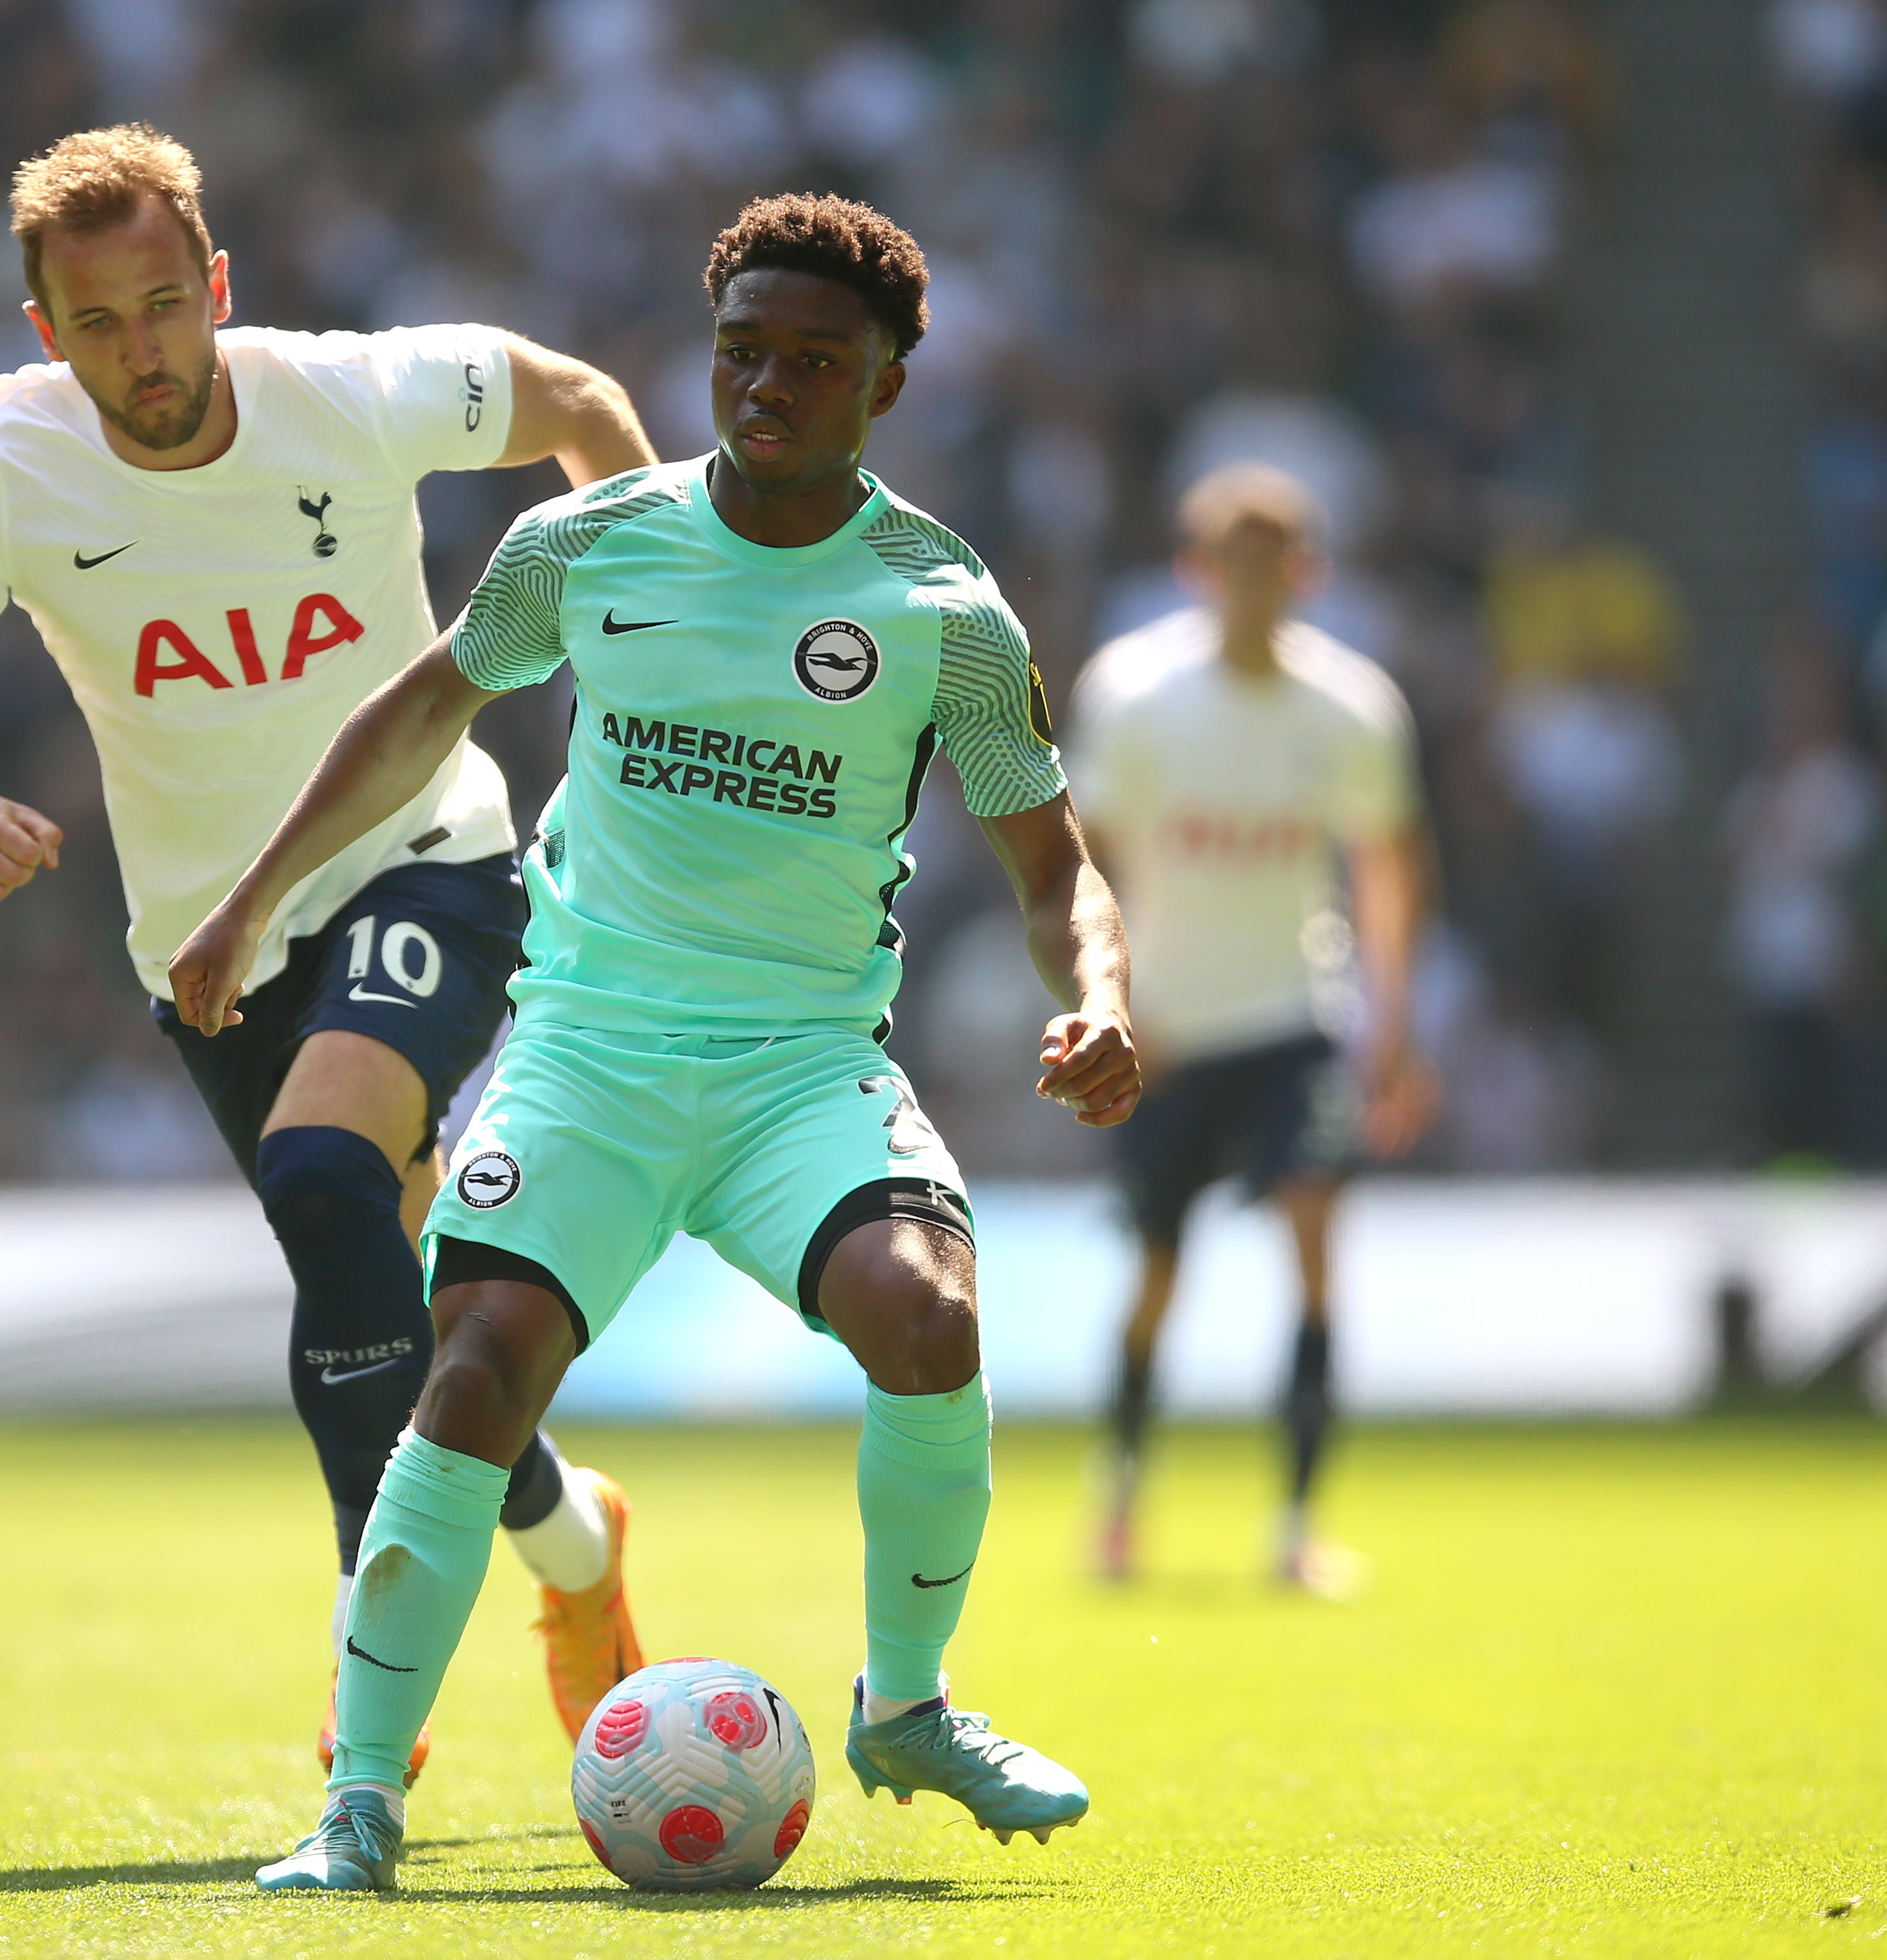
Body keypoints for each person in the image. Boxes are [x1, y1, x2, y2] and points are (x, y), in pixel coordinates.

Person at [173, 191, 1144, 1893]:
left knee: (927, 1323)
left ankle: (903, 1703)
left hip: (795, 1070)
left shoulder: (942, 611)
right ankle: (359, 1805)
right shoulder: (586, 545)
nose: (764, 387)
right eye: (739, 352)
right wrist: (257, 895)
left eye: (811, 364)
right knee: (468, 1375)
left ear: (885, 388)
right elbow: (416, 710)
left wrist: (1103, 996)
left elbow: (1055, 866)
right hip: (590, 1057)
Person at [0, 124, 662, 1778]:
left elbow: (579, 405)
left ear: (215, 284)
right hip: (204, 947)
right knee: (390, 1306)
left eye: (162, 306)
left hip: (429, 856)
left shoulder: (349, 394)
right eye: (97, 326)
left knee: (320, 1177)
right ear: (41, 335)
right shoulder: (3, 465)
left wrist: (631, 652)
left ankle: (379, 1662)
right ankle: (578, 1554)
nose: (140, 352)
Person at [1069, 462, 1436, 1596]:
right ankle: (1122, 1494)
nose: (1254, 584)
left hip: (1295, 1017)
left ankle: (1296, 1523)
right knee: (1157, 1273)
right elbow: (1091, 862)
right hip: (1170, 1030)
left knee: (1318, 1236)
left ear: (1305, 573)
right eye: (1234, 562)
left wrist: (1393, 1024)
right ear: (1197, 571)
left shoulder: (1353, 707)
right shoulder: (1133, 694)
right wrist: (1115, 1006)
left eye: (1274, 564)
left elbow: (1385, 864)